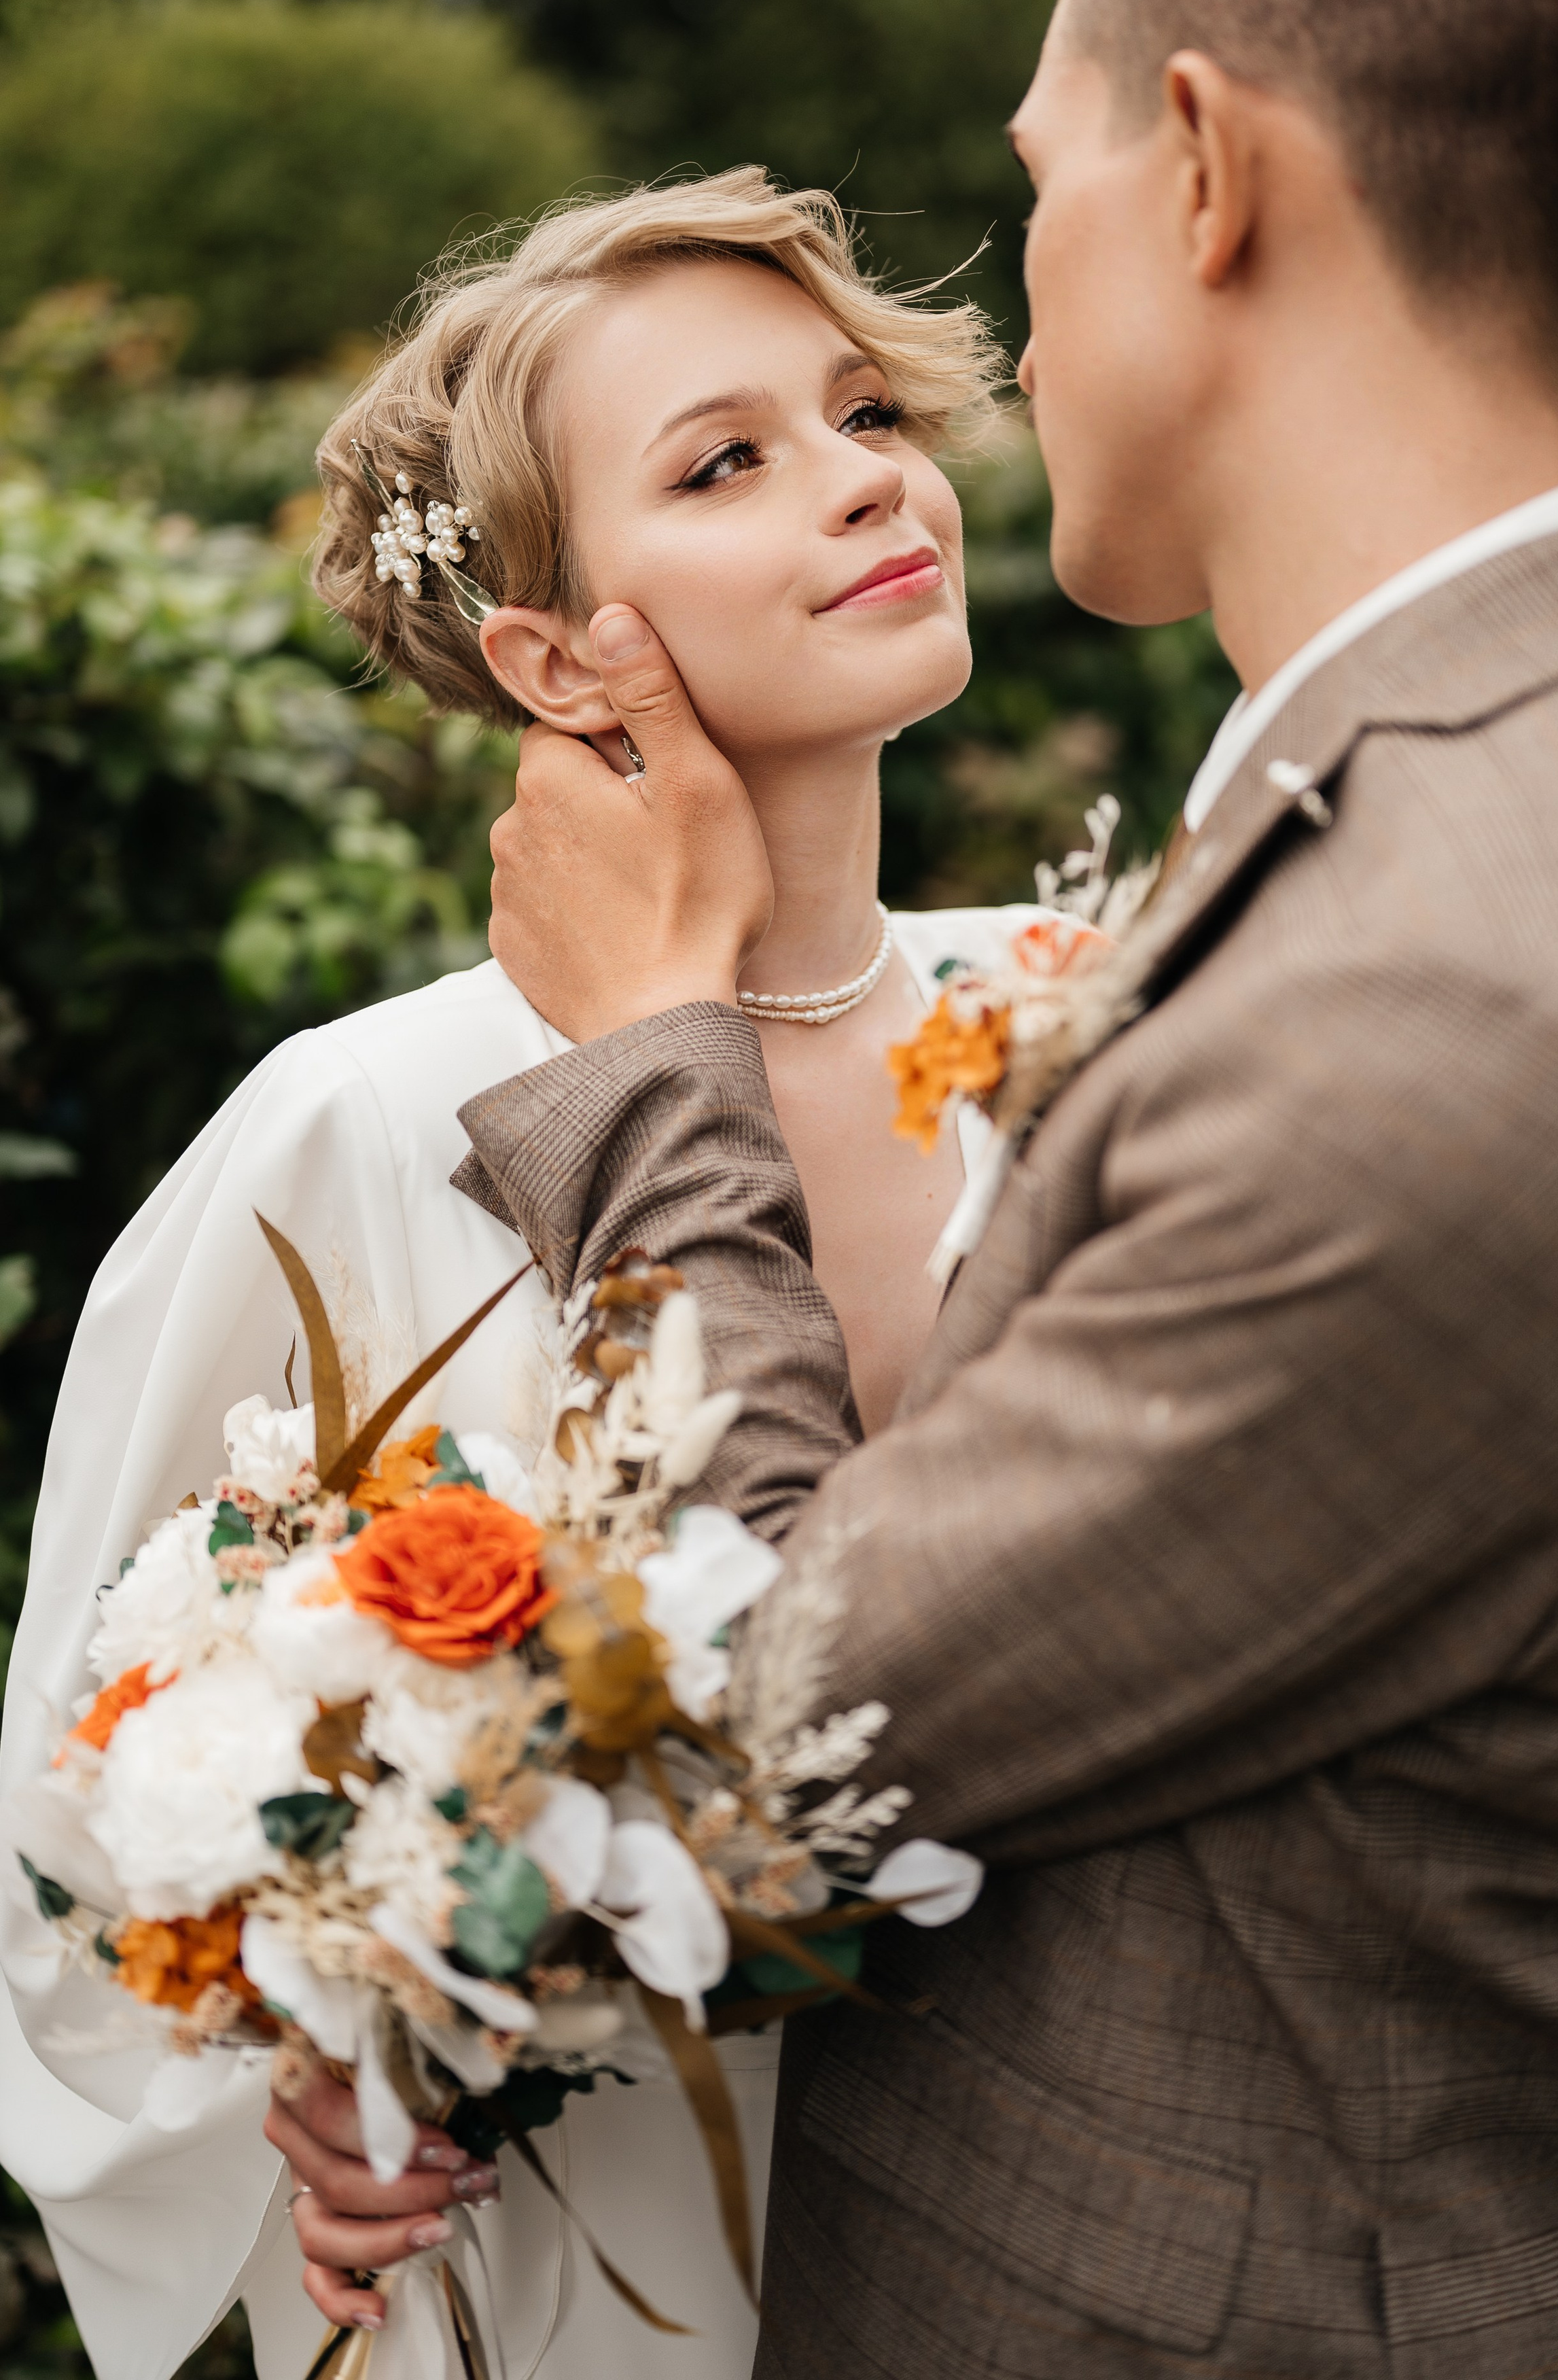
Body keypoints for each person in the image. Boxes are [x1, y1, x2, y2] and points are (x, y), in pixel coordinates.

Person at [457, 0, 1558, 2373]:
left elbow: (758, 1751)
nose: (1004, 341)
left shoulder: (1430, 1008)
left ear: (1200, 172)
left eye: (1033, 191)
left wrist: (654, 1059)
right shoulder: (1503, 817)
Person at [0, 169, 1043, 2379]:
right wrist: (297, 2071)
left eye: (866, 409)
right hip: (595, 2268)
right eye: (729, 459)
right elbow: (90, 1794)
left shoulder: (1083, 1030)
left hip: (1065, 2231)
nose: (869, 479)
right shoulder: (355, 1128)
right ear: (553, 658)